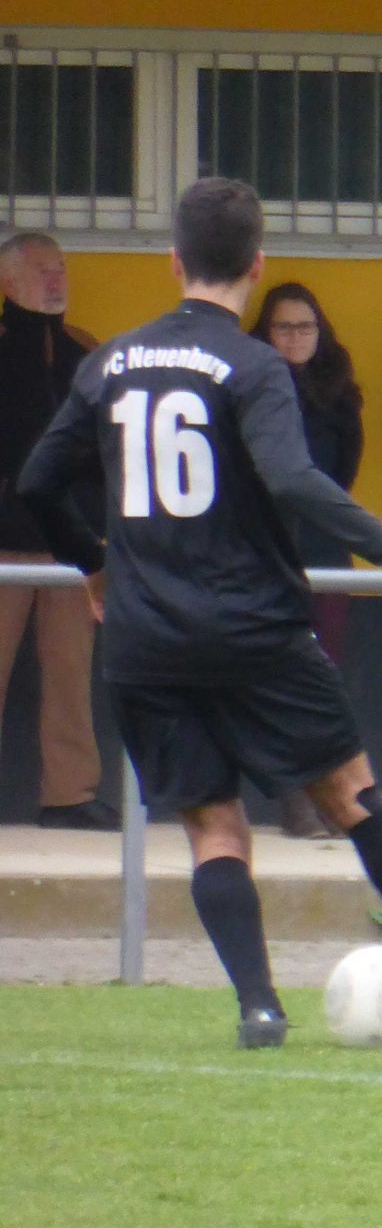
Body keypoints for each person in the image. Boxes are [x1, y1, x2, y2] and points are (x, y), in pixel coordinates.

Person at [13, 176, 382, 1048]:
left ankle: (258, 1007)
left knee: (212, 827)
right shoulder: (254, 365)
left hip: (148, 637)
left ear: (174, 260)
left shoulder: (108, 361)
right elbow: (296, 479)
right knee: (350, 795)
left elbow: (38, 481)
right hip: (254, 627)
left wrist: (95, 564)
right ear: (257, 264)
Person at [0, 230, 113, 830]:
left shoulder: (85, 352)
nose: (55, 279)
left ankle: (69, 796)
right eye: (42, 270)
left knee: (71, 677)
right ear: (8, 282)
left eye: (61, 268)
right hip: (3, 549)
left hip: (70, 548)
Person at [250, 281, 365, 838]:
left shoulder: (340, 393)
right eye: (283, 327)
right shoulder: (245, 386)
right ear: (264, 333)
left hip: (324, 549)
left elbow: (342, 476)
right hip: (265, 550)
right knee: (277, 676)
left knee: (326, 676)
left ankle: (332, 799)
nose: (295, 338)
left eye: (305, 327)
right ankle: (296, 802)